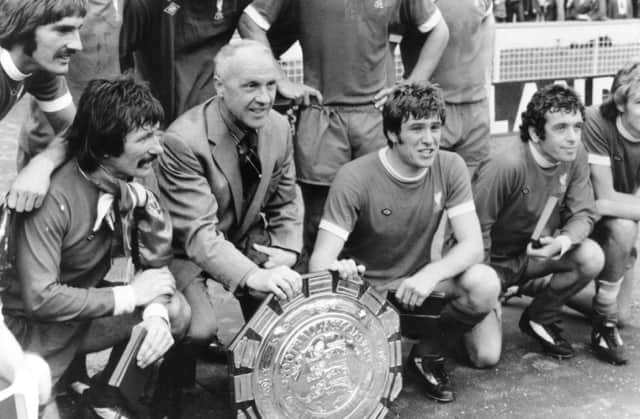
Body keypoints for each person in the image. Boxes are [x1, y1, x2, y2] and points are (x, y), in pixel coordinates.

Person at [1, 75, 191, 419]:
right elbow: (40, 300)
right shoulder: (52, 198)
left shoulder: (134, 177)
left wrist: (155, 316)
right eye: (145, 137)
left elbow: (156, 266)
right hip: (26, 333)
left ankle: (106, 394)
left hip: (79, 317)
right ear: (105, 145)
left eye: (157, 134)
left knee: (175, 310)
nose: (158, 148)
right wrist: (129, 296)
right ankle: (59, 388)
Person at [309, 83, 501, 403]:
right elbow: (319, 262)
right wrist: (338, 269)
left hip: (416, 286)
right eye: (416, 129)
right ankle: (379, 345)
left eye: (435, 127)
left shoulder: (450, 165)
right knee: (352, 392)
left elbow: (472, 246)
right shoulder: (354, 177)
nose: (429, 140)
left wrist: (431, 274)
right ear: (394, 134)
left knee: (485, 301)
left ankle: (426, 354)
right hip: (367, 294)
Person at [238, 0, 450, 257]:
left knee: (380, 218)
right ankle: (324, 292)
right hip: (323, 115)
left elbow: (439, 31)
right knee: (320, 224)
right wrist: (279, 79)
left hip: (376, 115)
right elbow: (249, 20)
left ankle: (378, 291)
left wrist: (412, 83)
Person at [156, 40, 303, 351]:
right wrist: (253, 275)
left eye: (271, 85)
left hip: (242, 237)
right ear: (220, 86)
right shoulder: (183, 140)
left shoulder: (278, 127)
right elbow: (198, 235)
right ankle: (170, 384)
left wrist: (286, 249)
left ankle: (258, 373)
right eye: (251, 86)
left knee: (281, 301)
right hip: (186, 250)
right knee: (198, 328)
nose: (264, 98)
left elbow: (286, 200)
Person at [473, 84, 603, 361]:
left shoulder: (575, 154)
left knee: (591, 257)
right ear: (535, 133)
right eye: (561, 128)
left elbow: (584, 213)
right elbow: (475, 232)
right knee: (485, 356)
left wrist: (562, 241)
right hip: (490, 266)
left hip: (531, 258)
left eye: (577, 127)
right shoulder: (505, 165)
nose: (572, 138)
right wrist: (487, 286)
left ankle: (539, 317)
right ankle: (504, 294)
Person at [119, 0, 297, 125]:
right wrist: (136, 117)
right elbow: (119, 58)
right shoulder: (144, 5)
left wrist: (278, 77)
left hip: (212, 114)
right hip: (157, 118)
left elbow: (265, 23)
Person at [568, 62, 640, 365]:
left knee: (622, 316)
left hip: (621, 220)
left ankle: (535, 286)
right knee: (624, 225)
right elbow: (604, 201)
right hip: (577, 217)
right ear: (621, 103)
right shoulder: (597, 121)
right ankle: (602, 322)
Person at [0, 0, 85, 213]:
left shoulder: (40, 68)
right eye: (63, 30)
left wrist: (43, 163)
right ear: (23, 27)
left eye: (78, 30)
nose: (78, 45)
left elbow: (76, 130)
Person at [393, 0, 495, 173]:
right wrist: (411, 87)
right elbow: (384, 29)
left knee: (471, 191)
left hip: (476, 108)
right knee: (424, 189)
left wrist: (483, 79)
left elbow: (487, 20)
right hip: (429, 110)